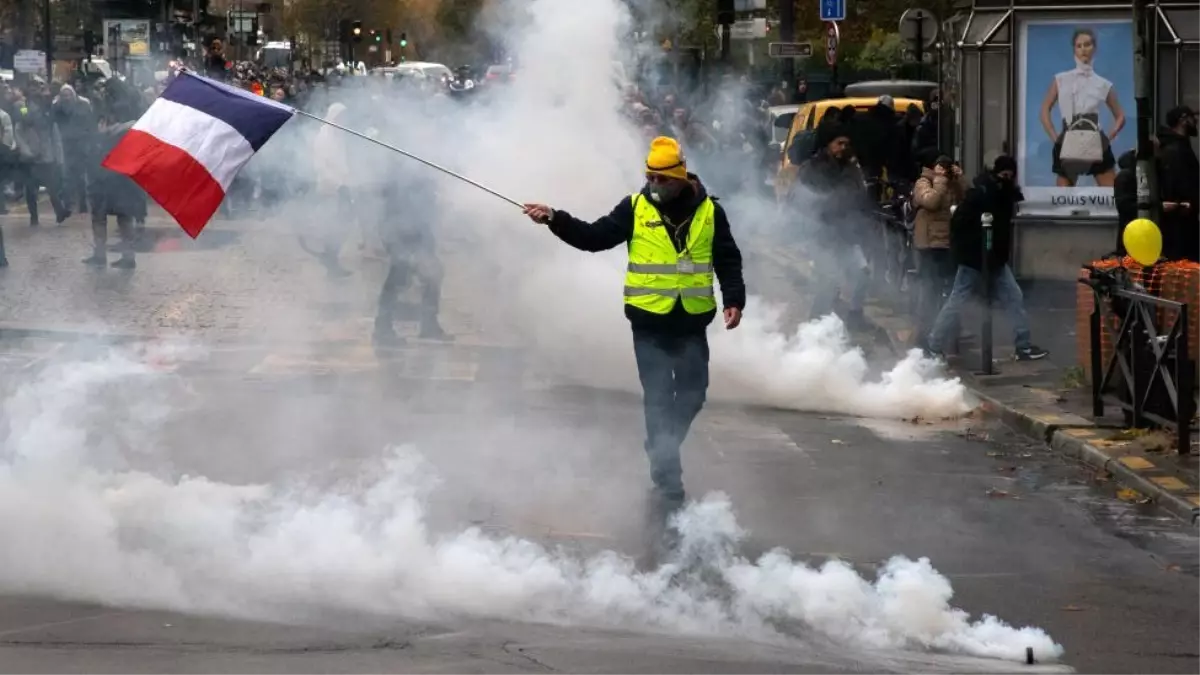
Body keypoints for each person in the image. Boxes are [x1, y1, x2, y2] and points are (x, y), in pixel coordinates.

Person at [520, 136, 746, 519]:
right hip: (648, 322)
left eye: (662, 179)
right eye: (650, 178)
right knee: (659, 398)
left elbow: (727, 258)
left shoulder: (711, 211)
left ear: (680, 178)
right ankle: (668, 479)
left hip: (692, 321)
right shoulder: (635, 207)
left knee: (692, 395)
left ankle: (661, 445)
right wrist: (555, 219)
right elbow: (594, 237)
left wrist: (734, 299)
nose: (654, 185)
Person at [926, 155, 1049, 361]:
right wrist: (974, 248)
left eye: (1010, 175)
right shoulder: (981, 194)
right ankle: (934, 344)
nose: (1006, 179)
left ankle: (1023, 346)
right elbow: (959, 224)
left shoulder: (1003, 195)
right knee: (958, 301)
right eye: (1004, 174)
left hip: (994, 259)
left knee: (1013, 297)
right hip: (975, 258)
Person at [790, 120, 873, 324]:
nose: (843, 148)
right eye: (839, 143)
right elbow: (798, 199)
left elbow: (860, 196)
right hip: (822, 236)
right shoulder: (812, 168)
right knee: (827, 282)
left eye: (846, 144)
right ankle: (815, 324)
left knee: (862, 274)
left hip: (847, 235)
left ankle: (855, 316)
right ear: (828, 144)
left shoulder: (851, 168)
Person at [1038, 27, 1126, 187]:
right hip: (1068, 135)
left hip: (1094, 137)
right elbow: (1045, 109)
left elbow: (1120, 116)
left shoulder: (1103, 84)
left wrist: (1108, 138)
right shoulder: (1061, 79)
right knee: (1063, 196)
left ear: (1094, 47)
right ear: (1074, 49)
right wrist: (1055, 138)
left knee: (1111, 193)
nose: (1083, 49)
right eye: (1079, 46)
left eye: (1087, 44)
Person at [911, 151, 965, 349]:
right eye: (940, 166)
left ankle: (948, 332)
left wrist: (959, 180)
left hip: (948, 243)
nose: (944, 170)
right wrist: (940, 180)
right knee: (929, 290)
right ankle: (924, 334)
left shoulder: (952, 183)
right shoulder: (923, 182)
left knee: (950, 290)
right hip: (929, 245)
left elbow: (965, 199)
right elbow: (931, 202)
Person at [1156, 105, 1200, 260]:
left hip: (1184, 218)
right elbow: (1179, 184)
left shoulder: (1180, 146)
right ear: (1183, 119)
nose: (1195, 122)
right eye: (1193, 118)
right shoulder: (1175, 150)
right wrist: (1186, 203)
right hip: (1180, 223)